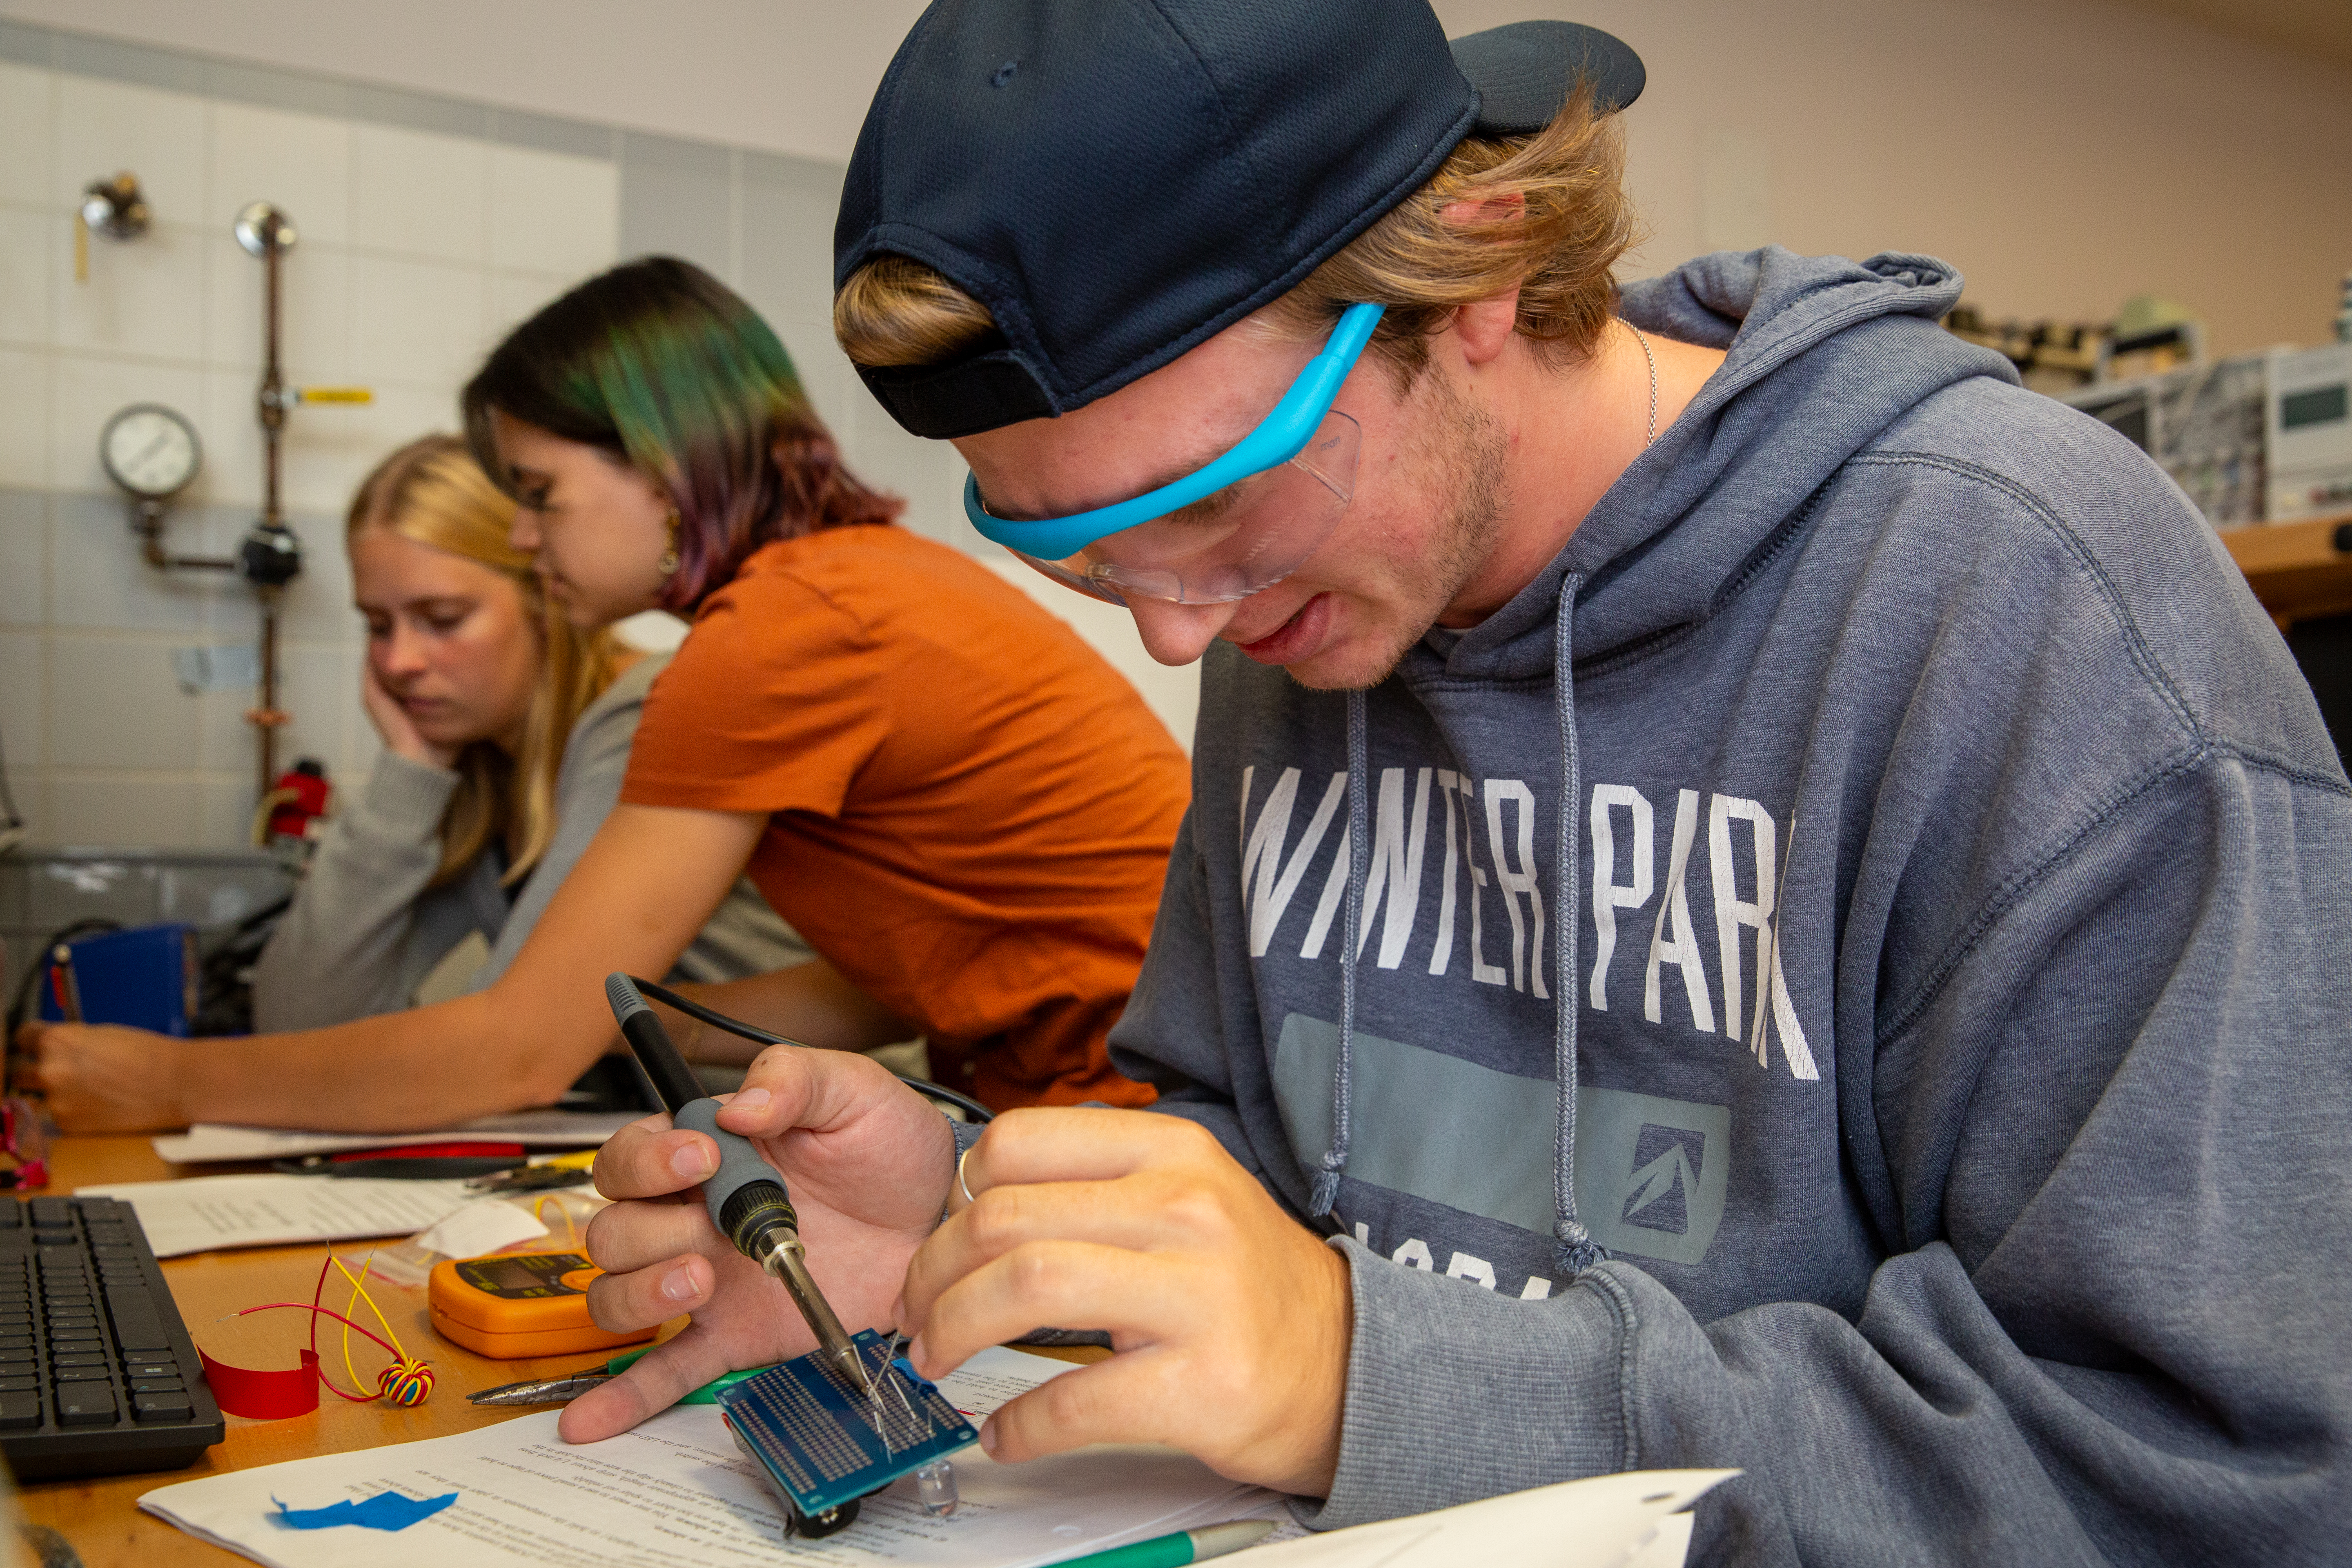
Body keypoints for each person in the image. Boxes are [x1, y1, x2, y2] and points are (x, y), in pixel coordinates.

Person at [569, 4, 2352, 1563]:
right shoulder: (1312, 609)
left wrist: (1383, 1382)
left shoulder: (2030, 610)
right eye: (1087, 552)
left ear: (1479, 268)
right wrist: (961, 1232)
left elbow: (2217, 1483)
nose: (1181, 633)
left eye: (1213, 500)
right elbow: (1267, 1186)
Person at [20, 258, 1189, 1129]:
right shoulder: (857, 586)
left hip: (1125, 1126)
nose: (523, 537)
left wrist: (170, 1081)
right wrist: (651, 1016)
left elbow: (516, 1054)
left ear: (664, 464)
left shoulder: (775, 636)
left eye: (540, 493)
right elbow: (924, 971)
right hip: (1116, 1115)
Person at [251, 434, 806, 1035]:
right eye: (379, 627)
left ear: (544, 599)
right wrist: (409, 771)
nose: (399, 661)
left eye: (443, 620)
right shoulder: (488, 778)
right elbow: (299, 1019)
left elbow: (510, 1037)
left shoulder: (648, 716)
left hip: (836, 1116)